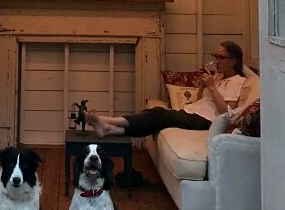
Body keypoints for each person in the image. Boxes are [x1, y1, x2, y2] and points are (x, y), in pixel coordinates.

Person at [86, 41, 247, 138]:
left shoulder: (238, 81)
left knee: (158, 114)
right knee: (156, 115)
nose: (216, 61)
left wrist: (212, 87)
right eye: (215, 56)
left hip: (205, 121)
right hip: (192, 113)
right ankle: (109, 129)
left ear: (233, 61)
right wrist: (203, 87)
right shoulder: (218, 77)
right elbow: (200, 102)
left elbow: (227, 115)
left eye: (220, 57)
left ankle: (107, 121)